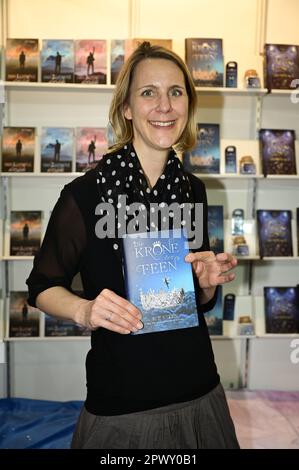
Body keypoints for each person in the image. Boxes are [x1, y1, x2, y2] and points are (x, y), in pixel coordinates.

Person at [26, 42, 239, 449]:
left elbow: (196, 300)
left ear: (188, 105)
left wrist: (207, 283)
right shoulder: (85, 195)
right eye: (148, 93)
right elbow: (41, 287)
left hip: (198, 391)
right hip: (122, 404)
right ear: (126, 108)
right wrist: (85, 309)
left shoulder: (192, 189)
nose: (165, 105)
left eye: (176, 92)